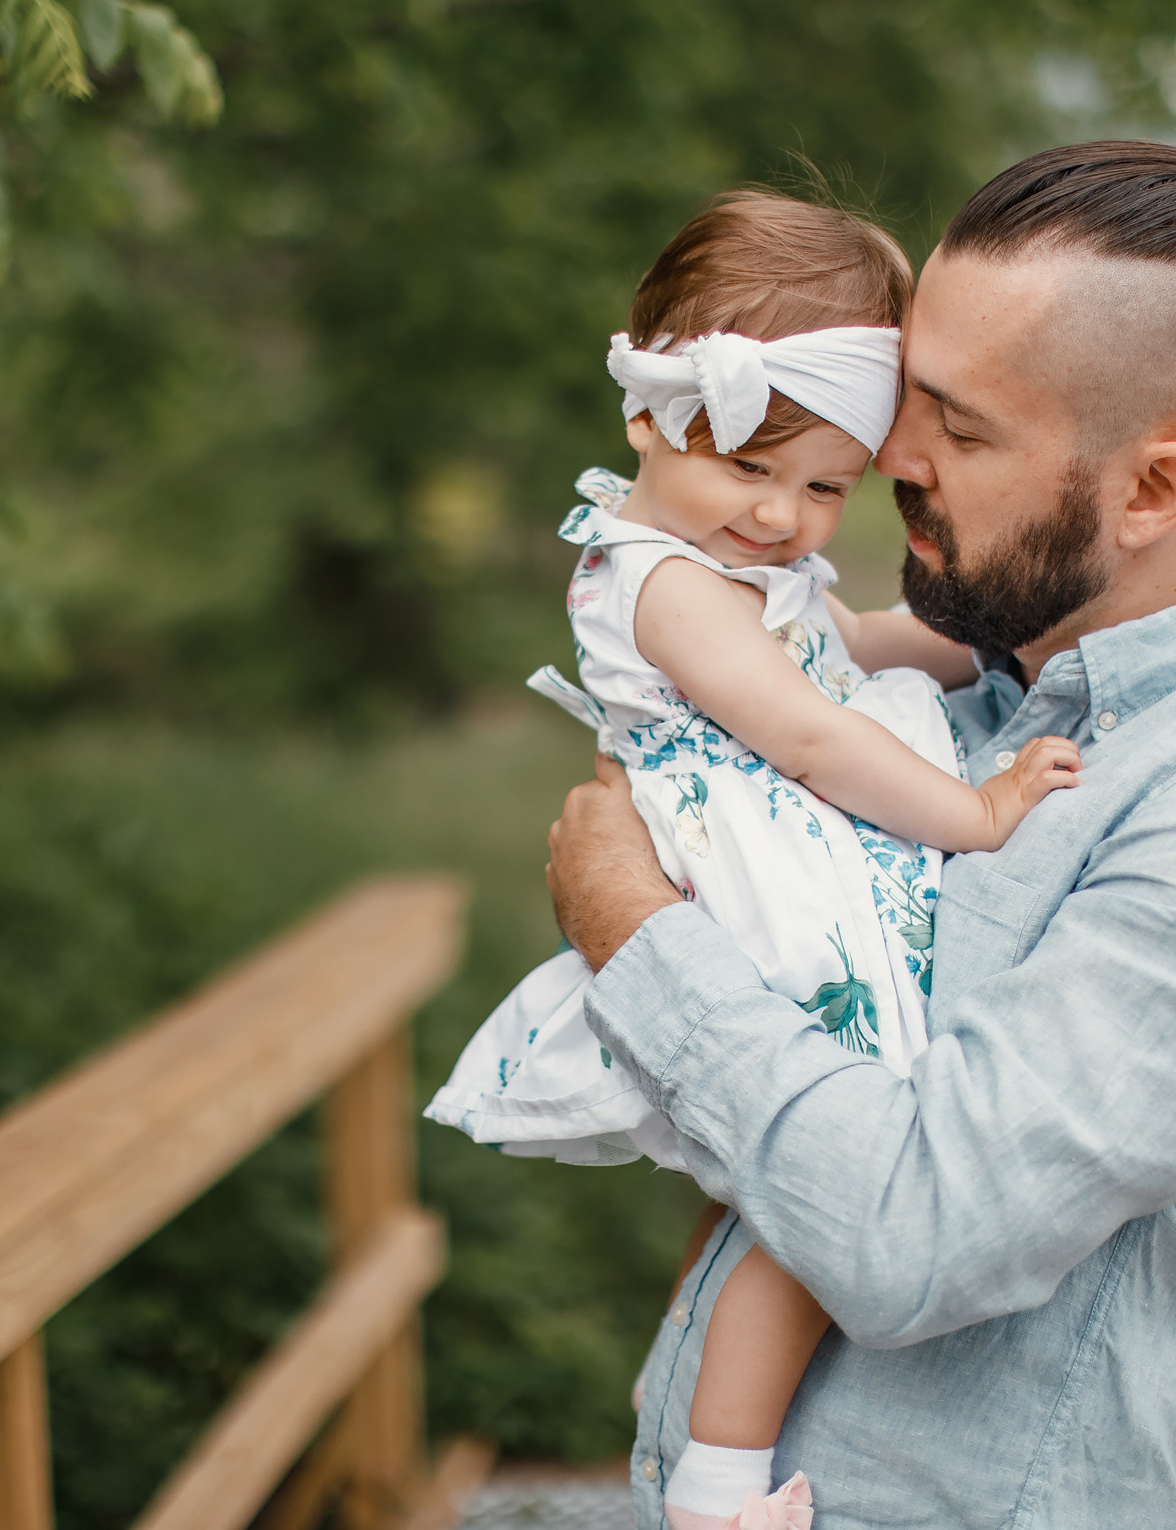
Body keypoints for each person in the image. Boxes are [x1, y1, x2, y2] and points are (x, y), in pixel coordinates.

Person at [544, 143, 1176, 1530]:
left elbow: (908, 1233)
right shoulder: (988, 669)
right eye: (903, 395)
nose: (889, 453)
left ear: (1151, 491)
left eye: (955, 428)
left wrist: (631, 923)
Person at [426, 192, 1081, 1528]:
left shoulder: (736, 562)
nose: (785, 519)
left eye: (828, 485)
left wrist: (1005, 643)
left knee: (782, 1197)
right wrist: (980, 813)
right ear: (650, 418)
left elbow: (853, 648)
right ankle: (720, 1488)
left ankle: (699, 1437)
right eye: (752, 471)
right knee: (819, 1184)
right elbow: (806, 730)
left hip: (806, 854)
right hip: (762, 889)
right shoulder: (659, 583)